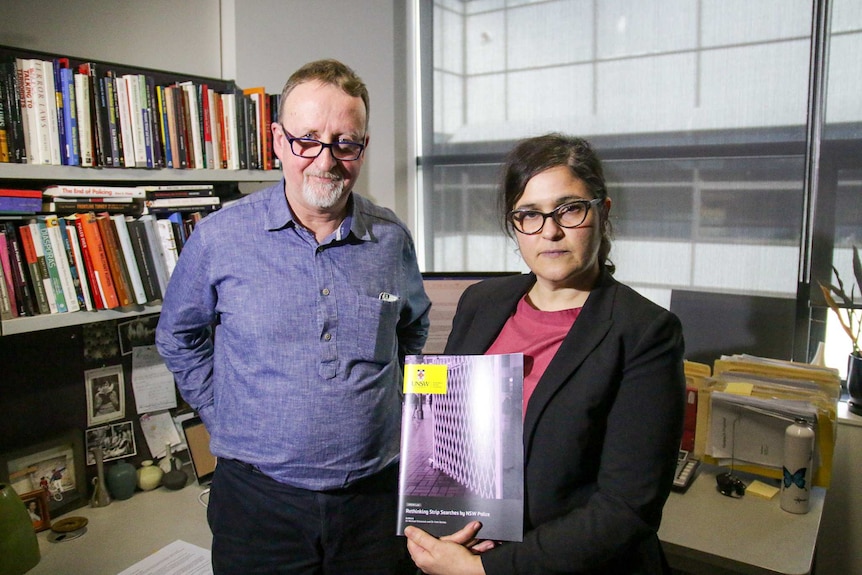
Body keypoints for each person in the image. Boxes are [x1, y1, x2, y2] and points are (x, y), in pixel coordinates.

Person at [155, 59, 431, 574]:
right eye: (307, 139)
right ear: (279, 141)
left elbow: (412, 326)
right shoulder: (221, 237)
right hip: (257, 504)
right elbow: (178, 337)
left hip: (374, 503)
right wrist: (223, 411)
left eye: (344, 142)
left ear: (362, 150)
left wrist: (390, 403)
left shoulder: (391, 238)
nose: (325, 160)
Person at [404, 133, 685, 574]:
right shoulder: (482, 302)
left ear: (602, 212)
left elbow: (627, 510)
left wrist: (482, 571)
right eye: (529, 215)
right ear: (514, 226)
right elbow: (449, 435)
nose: (550, 231)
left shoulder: (645, 332)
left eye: (569, 209)